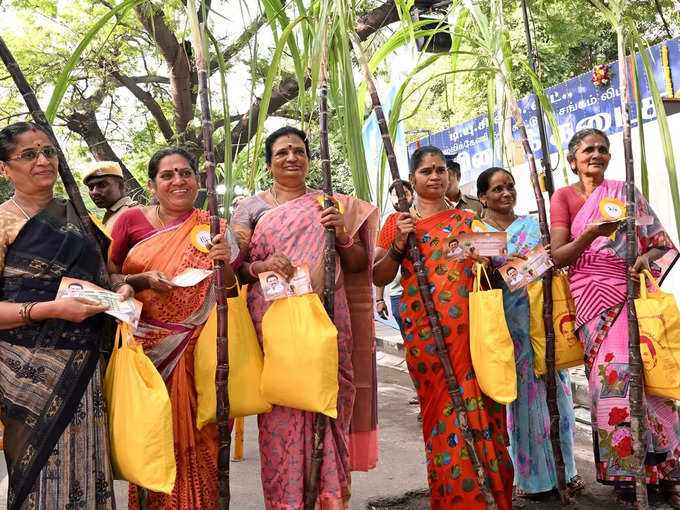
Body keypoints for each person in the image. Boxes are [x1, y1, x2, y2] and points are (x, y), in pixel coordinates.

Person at [231, 125, 379, 509]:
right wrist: (261, 264)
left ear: (310, 159)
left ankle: (330, 501)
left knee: (328, 399)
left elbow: (359, 264)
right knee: (281, 408)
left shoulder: (331, 204)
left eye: (298, 150)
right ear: (269, 163)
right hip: (274, 319)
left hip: (327, 316)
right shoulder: (250, 208)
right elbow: (236, 266)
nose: (291, 157)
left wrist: (343, 234)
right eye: (282, 152)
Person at [374, 146, 514, 509]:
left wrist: (488, 261)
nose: (435, 176)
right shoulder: (397, 223)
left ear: (449, 176)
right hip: (427, 339)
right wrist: (399, 244)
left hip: (471, 337)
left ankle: (490, 498)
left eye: (440, 170)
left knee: (482, 414)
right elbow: (378, 274)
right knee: (442, 416)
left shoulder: (467, 221)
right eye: (426, 171)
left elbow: (504, 270)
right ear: (412, 180)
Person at [0, 121, 129, 510]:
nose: (43, 160)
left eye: (49, 151)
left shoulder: (79, 217)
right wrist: (51, 310)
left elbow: (103, 278)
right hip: (27, 373)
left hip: (84, 366)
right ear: (4, 168)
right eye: (28, 154)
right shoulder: (3, 222)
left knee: (85, 465)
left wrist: (121, 290)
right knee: (37, 472)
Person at [550, 128, 679, 507]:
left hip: (629, 291)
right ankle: (627, 478)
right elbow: (559, 256)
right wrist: (592, 233)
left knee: (651, 379)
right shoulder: (563, 198)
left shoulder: (625, 192)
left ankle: (667, 471)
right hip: (591, 299)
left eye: (603, 149)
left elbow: (659, 244)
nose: (597, 154)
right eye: (588, 149)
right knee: (613, 378)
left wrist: (642, 260)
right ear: (573, 159)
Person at [109, 146, 241, 510]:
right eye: (167, 175)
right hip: (147, 354)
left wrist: (225, 263)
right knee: (153, 442)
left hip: (203, 352)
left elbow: (230, 292)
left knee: (204, 442)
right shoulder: (129, 222)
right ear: (152, 185)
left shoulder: (215, 226)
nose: (178, 181)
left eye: (186, 173)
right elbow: (106, 276)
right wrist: (142, 279)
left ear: (198, 180)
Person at [476, 166, 581, 498]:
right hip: (509, 327)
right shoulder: (479, 233)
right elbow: (481, 281)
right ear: (483, 197)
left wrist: (541, 261)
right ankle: (531, 479)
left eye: (510, 186)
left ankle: (568, 471)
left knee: (558, 400)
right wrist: (511, 267)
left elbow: (551, 266)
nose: (506, 193)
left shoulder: (533, 226)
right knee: (522, 402)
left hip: (542, 325)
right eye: (497, 189)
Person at [375, 179, 414, 337]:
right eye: (396, 195)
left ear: (413, 196)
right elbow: (380, 262)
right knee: (412, 345)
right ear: (390, 199)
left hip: (431, 292)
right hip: (399, 293)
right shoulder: (391, 222)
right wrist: (379, 299)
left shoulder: (424, 217)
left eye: (405, 194)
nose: (400, 198)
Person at [82, 160, 137, 231]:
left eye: (102, 185)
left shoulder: (132, 214)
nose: (94, 192)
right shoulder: (113, 216)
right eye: (91, 187)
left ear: (121, 185)